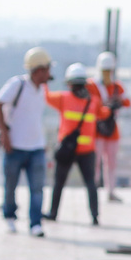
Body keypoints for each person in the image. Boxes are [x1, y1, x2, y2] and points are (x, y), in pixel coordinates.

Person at [0, 47, 54, 236]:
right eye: (47, 69)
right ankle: (10, 216)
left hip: (36, 147)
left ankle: (35, 223)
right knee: (11, 186)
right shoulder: (17, 85)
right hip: (15, 147)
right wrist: (4, 134)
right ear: (39, 70)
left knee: (37, 189)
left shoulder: (42, 90)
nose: (49, 74)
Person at [45, 63, 109, 226]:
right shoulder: (93, 102)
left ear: (69, 83)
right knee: (90, 184)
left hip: (67, 149)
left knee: (59, 184)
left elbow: (45, 96)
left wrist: (45, 79)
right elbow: (104, 113)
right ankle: (95, 216)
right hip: (87, 151)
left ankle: (53, 213)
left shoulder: (63, 98)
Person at [92, 50, 130, 203]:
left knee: (111, 162)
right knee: (95, 162)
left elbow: (128, 102)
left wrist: (117, 101)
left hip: (112, 130)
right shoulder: (93, 86)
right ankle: (93, 189)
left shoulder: (117, 87)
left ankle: (111, 191)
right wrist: (105, 107)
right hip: (97, 130)